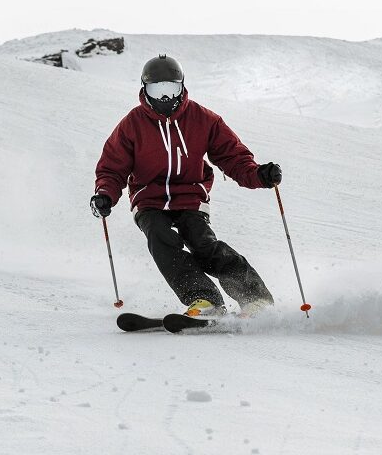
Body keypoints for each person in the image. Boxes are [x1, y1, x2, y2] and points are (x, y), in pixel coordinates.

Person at [90, 54, 280, 318]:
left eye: (171, 90)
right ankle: (205, 299)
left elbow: (232, 156)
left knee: (203, 244)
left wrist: (258, 175)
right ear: (145, 89)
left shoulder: (203, 119)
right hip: (150, 199)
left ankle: (255, 298)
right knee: (160, 238)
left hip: (191, 195)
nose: (165, 98)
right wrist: (105, 195)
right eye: (158, 90)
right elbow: (112, 167)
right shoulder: (132, 124)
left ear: (182, 87)